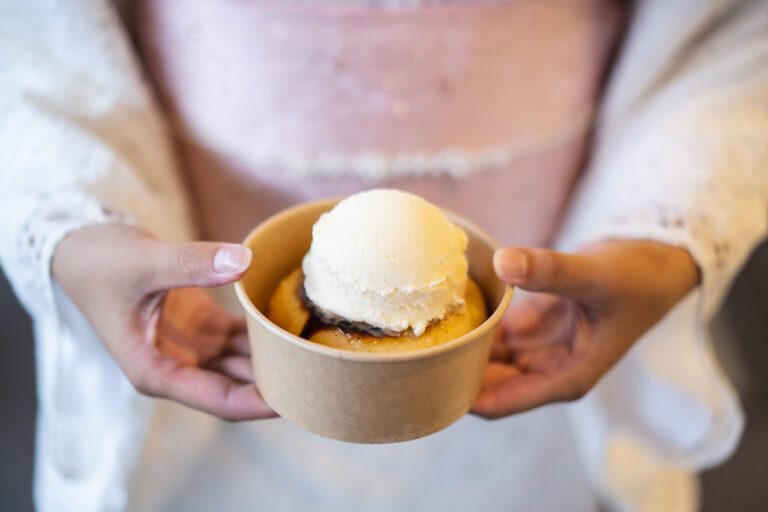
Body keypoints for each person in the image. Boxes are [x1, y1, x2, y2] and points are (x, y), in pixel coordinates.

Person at [1, 0, 766, 510]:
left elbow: (737, 32)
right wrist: (77, 230)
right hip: (218, 332)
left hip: (533, 326)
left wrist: (656, 241)